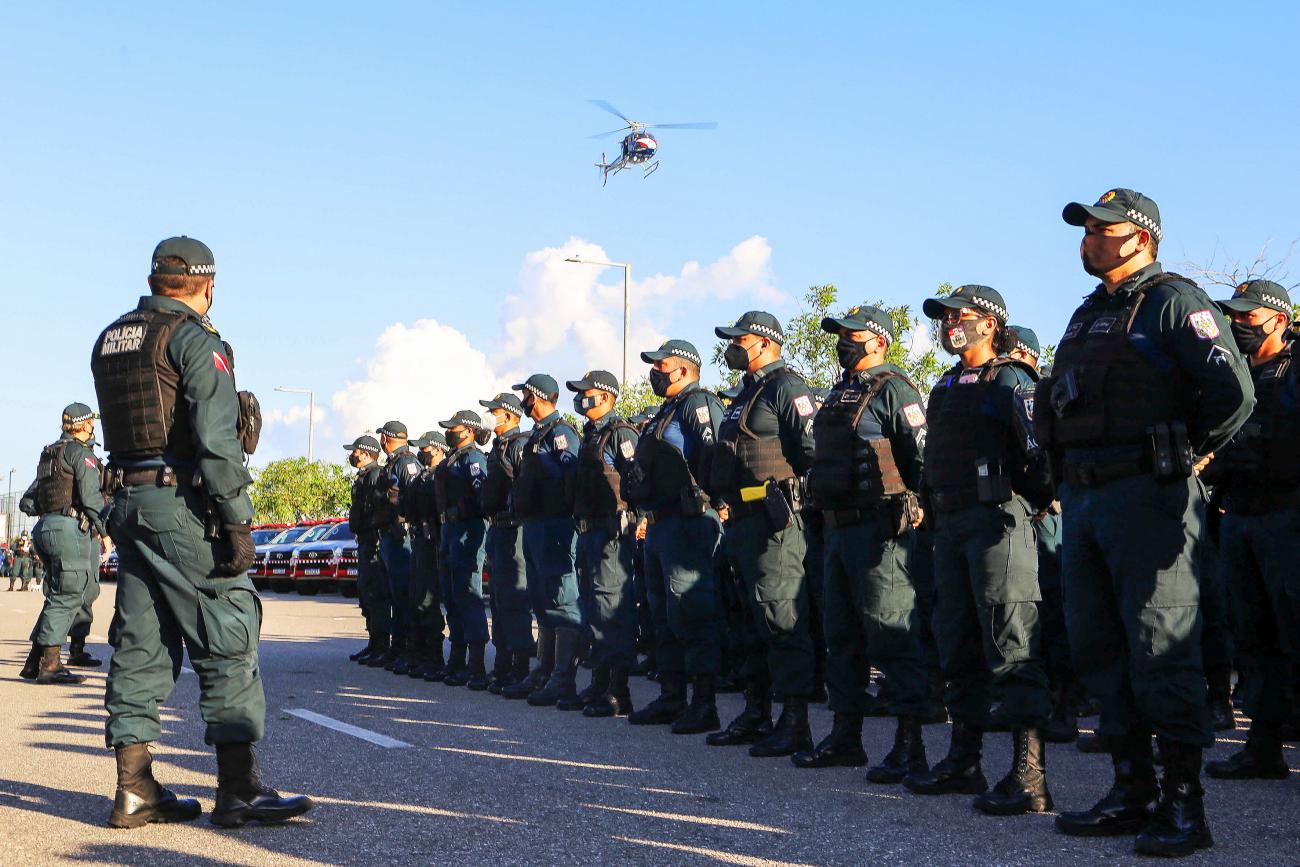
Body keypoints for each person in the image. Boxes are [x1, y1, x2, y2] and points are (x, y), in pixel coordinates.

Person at [1041, 190, 1253, 857]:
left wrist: (1189, 452)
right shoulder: (1088, 313)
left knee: (1161, 647)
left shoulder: (1174, 301)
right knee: (1099, 646)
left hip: (1148, 497)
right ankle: (1130, 790)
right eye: (1086, 229)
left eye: (1101, 229)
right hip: (1086, 500)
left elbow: (1233, 394)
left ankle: (1184, 803)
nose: (1088, 238)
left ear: (1140, 237)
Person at [91, 236, 311, 829]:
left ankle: (134, 790)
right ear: (207, 286)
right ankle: (239, 790)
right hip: (181, 503)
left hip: (129, 502)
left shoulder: (112, 338)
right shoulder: (194, 339)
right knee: (227, 632)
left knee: (141, 643)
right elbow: (216, 442)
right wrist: (238, 520)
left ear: (153, 280)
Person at [906, 285, 1055, 817]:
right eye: (945, 318)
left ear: (990, 324)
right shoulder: (945, 384)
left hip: (997, 523)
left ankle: (1030, 774)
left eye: (959, 316)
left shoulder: (1012, 378)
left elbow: (1039, 455)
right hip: (950, 525)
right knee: (958, 642)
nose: (950, 325)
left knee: (1010, 642)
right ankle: (963, 760)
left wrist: (1029, 502)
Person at [792, 305, 932, 785]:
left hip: (880, 532)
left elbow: (922, 458)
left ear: (879, 341)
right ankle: (845, 737)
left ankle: (910, 745)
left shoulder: (895, 389)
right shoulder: (839, 392)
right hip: (836, 530)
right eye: (841, 335)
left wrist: (917, 507)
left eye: (853, 335)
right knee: (842, 637)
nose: (843, 342)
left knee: (891, 635)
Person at [709, 311, 818, 755]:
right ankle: (756, 713)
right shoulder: (746, 394)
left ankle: (795, 721)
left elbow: (813, 453)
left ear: (766, 343)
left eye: (741, 340)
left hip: (776, 522)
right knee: (748, 620)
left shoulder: (786, 387)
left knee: (781, 618)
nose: (733, 347)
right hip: (742, 522)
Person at [1201, 279, 1297, 781]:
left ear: (1279, 319)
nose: (1237, 324)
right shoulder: (1230, 374)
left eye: (1248, 315)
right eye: (1233, 315)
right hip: (1238, 516)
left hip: (1288, 517)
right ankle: (1263, 747)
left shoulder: (1294, 370)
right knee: (1252, 633)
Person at [624, 340, 726, 732]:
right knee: (662, 614)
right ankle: (671, 696)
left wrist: (718, 503)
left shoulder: (697, 403)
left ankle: (704, 703)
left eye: (660, 365)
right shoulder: (665, 412)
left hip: (688, 523)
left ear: (683, 369)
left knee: (691, 611)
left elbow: (715, 456)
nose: (654, 371)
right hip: (660, 525)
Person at [1001, 325, 1077, 744]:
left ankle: (1064, 703)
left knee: (1054, 608)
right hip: (1018, 513)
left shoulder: (1037, 390)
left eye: (1015, 354)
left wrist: (1049, 495)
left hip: (1046, 513)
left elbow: (1046, 453)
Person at [17, 403, 111, 685]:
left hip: (45, 529)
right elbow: (92, 500)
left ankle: (34, 662)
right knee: (68, 596)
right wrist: (106, 533)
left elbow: (28, 501)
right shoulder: (81, 454)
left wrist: (52, 513)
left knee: (57, 596)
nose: (93, 427)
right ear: (85, 425)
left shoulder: (51, 453)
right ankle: (50, 666)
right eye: (91, 423)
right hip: (70, 531)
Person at [504, 375, 583, 706]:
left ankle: (562, 678)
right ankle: (544, 671)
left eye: (526, 395)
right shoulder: (537, 436)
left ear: (537, 397)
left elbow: (571, 476)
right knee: (541, 599)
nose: (523, 400)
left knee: (562, 598)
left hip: (556, 526)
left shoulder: (561, 433)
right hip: (534, 526)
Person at [565, 370, 640, 717]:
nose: (581, 399)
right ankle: (599, 682)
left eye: (587, 393)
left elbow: (637, 479)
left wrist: (638, 518)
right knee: (594, 609)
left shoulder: (620, 433)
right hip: (589, 533)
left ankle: (617, 690)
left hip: (611, 534)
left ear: (606, 396)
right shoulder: (591, 435)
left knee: (612, 610)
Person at [478, 392, 533, 693]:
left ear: (509, 415)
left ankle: (520, 667)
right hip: (498, 529)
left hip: (515, 530)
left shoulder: (520, 445)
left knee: (515, 598)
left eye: (494, 411)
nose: (489, 416)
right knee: (499, 600)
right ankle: (502, 665)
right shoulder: (498, 446)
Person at [435, 410, 492, 689]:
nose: (449, 432)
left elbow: (483, 496)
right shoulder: (452, 459)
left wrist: (464, 510)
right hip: (449, 530)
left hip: (468, 529)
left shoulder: (473, 459)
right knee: (452, 595)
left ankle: (476, 665)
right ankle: (457, 659)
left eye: (453, 428)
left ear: (469, 431)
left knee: (468, 594)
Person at [373, 421, 420, 670]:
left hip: (401, 538)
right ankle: (397, 647)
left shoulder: (406, 462)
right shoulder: (392, 463)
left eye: (382, 436)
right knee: (393, 595)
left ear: (386, 438)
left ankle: (408, 649)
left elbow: (414, 496)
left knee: (403, 595)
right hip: (389, 537)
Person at [406, 431, 449, 680]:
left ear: (437, 448)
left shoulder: (442, 473)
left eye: (425, 448)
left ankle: (435, 657)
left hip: (435, 540)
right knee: (417, 596)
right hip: (420, 540)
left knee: (429, 599)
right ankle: (420, 653)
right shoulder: (422, 476)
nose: (421, 452)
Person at [345, 435, 389, 665]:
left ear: (365, 452)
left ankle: (382, 645)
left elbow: (377, 509)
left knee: (375, 593)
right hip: (364, 541)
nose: (352, 455)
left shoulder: (374, 475)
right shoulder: (364, 476)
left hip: (373, 542)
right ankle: (373, 642)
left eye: (355, 451)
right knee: (366, 593)